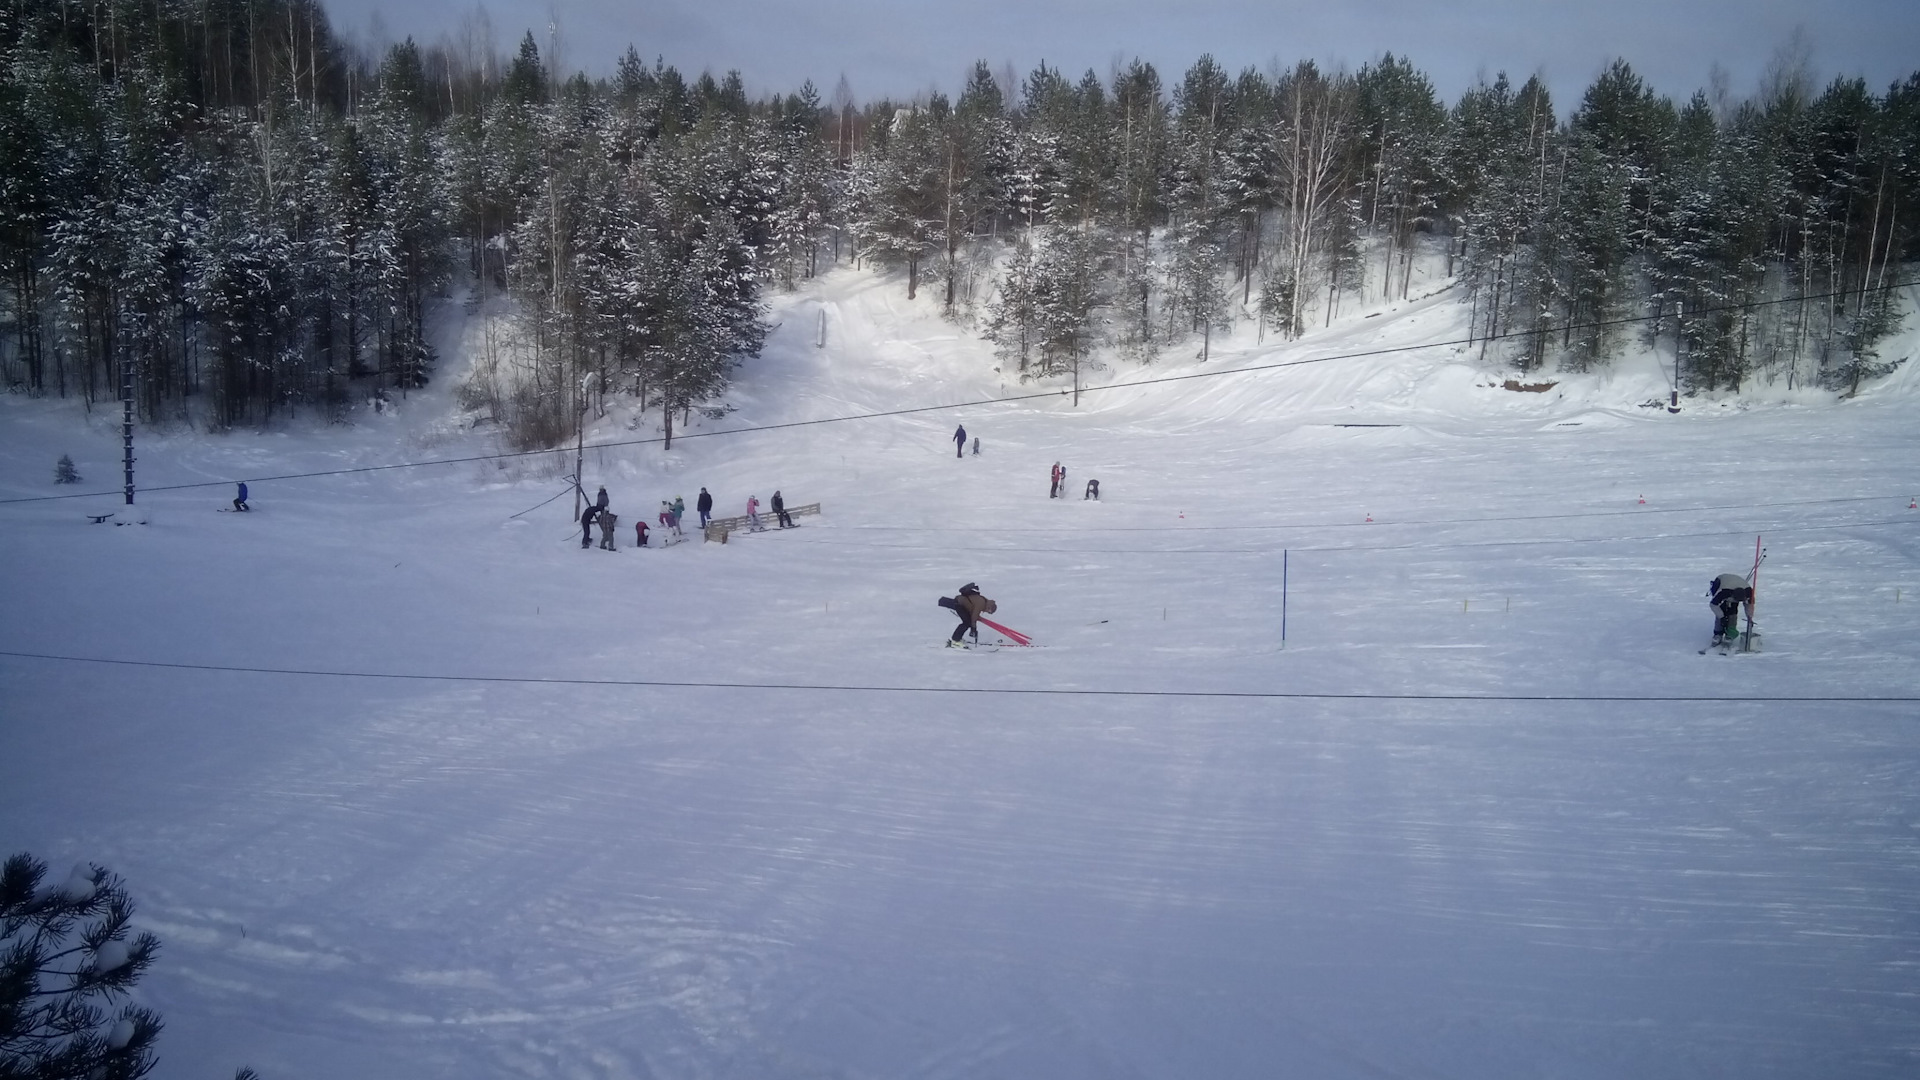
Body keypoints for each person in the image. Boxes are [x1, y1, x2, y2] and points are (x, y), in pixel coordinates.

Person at [938, 582, 997, 647]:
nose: (986, 612)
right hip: (959, 604)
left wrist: (973, 625)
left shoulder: (984, 601)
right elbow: (974, 616)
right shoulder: (982, 604)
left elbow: (973, 610)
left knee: (967, 622)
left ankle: (956, 639)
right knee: (966, 623)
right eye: (989, 612)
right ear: (989, 608)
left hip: (960, 603)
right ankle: (955, 641)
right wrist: (973, 629)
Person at [1708, 571, 1755, 647]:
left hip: (1736, 584)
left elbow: (1749, 605)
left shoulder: (1749, 592)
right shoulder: (1723, 592)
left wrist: (1749, 617)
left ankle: (1729, 634)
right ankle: (1718, 633)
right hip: (1721, 582)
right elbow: (1713, 605)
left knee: (1733, 611)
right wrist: (1722, 617)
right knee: (1721, 610)